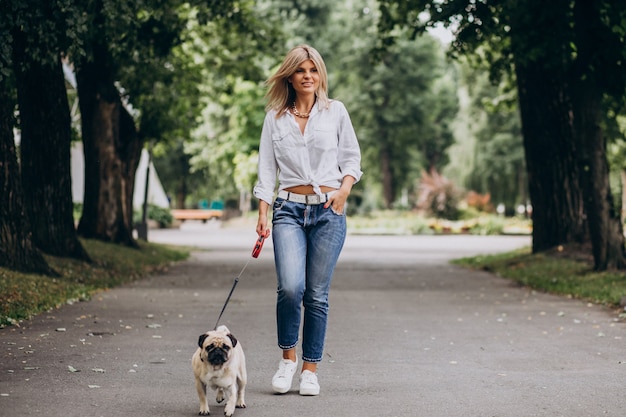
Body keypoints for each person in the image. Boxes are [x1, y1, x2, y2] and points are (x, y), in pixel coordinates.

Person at [253, 44, 362, 396]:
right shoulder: (275, 118)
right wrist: (262, 212)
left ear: (321, 75)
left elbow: (352, 160)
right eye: (301, 70)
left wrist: (343, 192)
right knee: (290, 287)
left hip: (328, 213)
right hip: (287, 210)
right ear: (291, 75)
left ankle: (310, 369)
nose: (308, 76)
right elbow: (267, 170)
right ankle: (287, 360)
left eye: (313, 70)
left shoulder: (336, 112)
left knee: (316, 294)